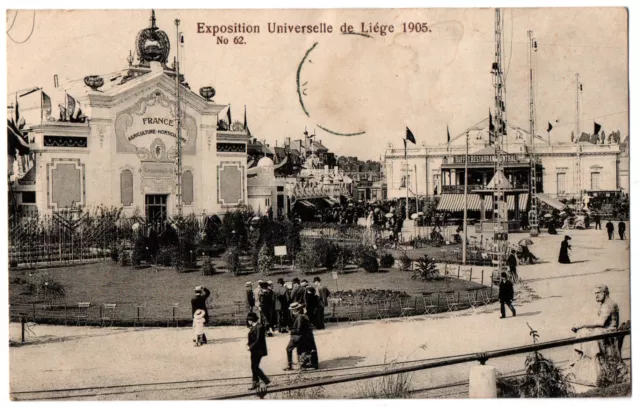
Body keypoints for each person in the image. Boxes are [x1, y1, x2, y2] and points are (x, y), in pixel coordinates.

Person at [569, 285, 620, 386]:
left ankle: (578, 363)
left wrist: (582, 324)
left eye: (598, 293)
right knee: (581, 332)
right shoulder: (604, 304)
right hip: (603, 331)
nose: (596, 296)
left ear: (604, 293)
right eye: (595, 293)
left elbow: (601, 323)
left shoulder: (608, 305)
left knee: (584, 332)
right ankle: (575, 361)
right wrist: (582, 327)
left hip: (609, 332)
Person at [246, 312, 271, 390]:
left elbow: (258, 339)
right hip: (254, 350)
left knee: (255, 367)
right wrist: (248, 344)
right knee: (253, 366)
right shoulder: (254, 326)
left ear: (252, 320)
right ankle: (255, 382)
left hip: (258, 350)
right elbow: (252, 338)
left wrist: (250, 347)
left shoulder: (259, 327)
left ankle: (265, 381)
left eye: (249, 320)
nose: (248, 321)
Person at [284, 302, 310, 371]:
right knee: (300, 351)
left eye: (292, 309)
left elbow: (299, 329)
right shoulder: (298, 315)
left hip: (297, 337)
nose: (291, 311)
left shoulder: (299, 317)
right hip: (299, 337)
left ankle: (290, 366)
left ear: (295, 309)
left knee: (288, 349)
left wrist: (291, 331)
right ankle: (301, 365)